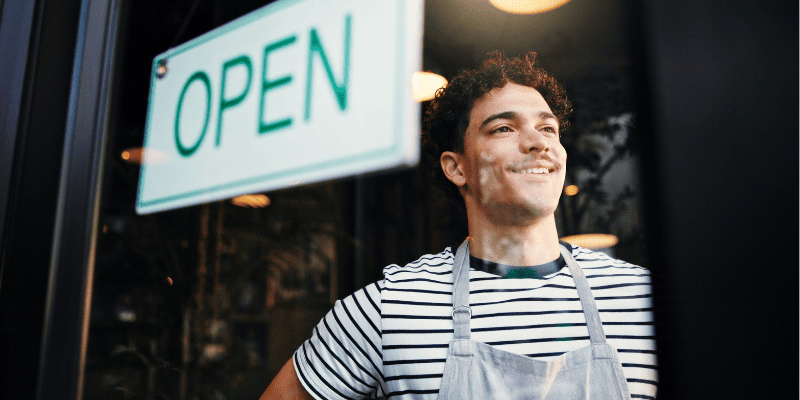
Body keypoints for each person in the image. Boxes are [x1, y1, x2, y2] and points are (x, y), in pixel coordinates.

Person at [260, 52, 657, 400]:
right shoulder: (389, 309)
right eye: (505, 127)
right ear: (457, 167)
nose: (539, 143)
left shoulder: (643, 299)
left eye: (548, 127)